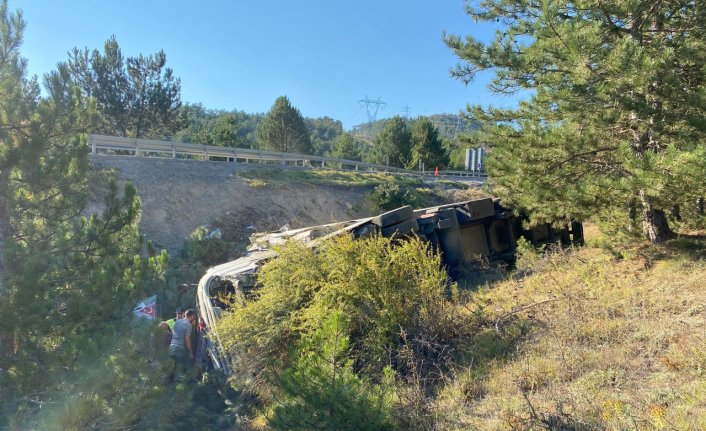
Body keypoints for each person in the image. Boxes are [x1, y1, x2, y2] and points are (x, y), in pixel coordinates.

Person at [169, 309, 196, 378]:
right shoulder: (188, 325)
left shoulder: (177, 322)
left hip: (171, 347)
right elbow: (187, 340)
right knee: (180, 369)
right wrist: (190, 352)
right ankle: (179, 383)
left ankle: (169, 383)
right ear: (192, 316)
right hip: (179, 349)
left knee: (171, 367)